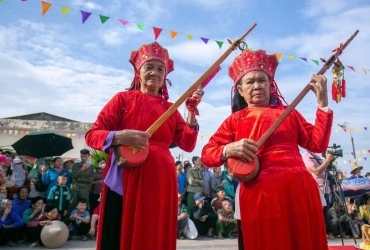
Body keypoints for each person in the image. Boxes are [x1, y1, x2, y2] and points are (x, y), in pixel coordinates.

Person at [201, 49, 333, 250]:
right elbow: (207, 154)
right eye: (250, 82)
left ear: (270, 85)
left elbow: (317, 144)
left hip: (298, 191)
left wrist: (322, 103)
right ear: (240, 90)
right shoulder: (235, 120)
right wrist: (229, 148)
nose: (256, 86)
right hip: (260, 196)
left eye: (261, 80)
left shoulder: (289, 113)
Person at [85, 41, 202, 250]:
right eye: (149, 67)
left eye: (160, 69)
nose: (154, 73)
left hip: (161, 178)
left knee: (154, 229)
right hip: (126, 173)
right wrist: (120, 136)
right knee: (121, 228)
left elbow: (188, 143)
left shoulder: (170, 109)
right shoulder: (123, 99)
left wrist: (191, 112)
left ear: (166, 76)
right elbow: (92, 135)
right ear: (138, 72)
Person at [302, 151, 335, 223]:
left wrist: (329, 161)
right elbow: (316, 171)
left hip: (327, 190)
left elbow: (324, 170)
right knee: (320, 219)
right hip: (318, 191)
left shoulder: (317, 157)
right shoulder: (306, 155)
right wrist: (327, 160)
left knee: (326, 218)